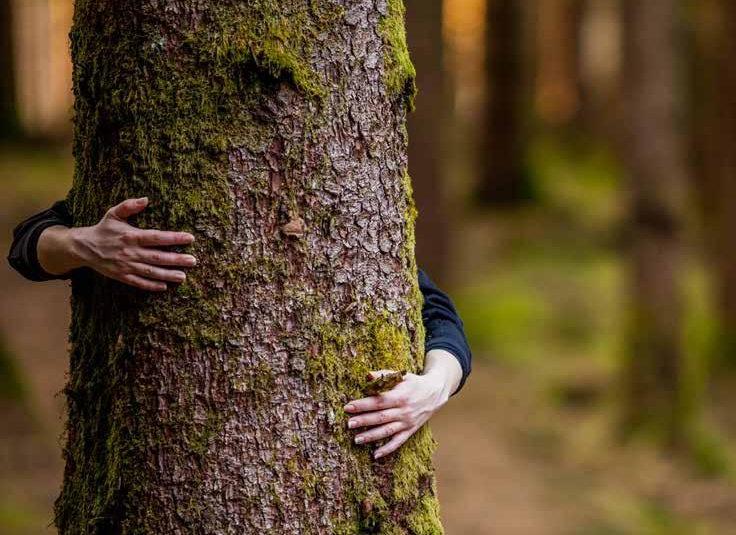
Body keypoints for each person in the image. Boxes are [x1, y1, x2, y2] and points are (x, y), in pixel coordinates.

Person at [7, 197, 471, 459]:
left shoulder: (349, 196)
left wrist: (435, 386)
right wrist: (80, 244)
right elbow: (26, 247)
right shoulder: (156, 166)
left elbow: (439, 314)